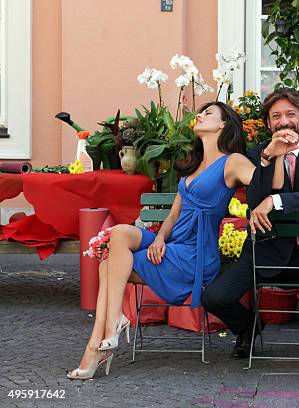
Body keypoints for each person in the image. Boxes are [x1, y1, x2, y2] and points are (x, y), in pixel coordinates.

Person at [66, 102, 263, 380]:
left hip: (195, 253)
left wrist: (264, 196)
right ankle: (109, 330)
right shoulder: (193, 165)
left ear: (223, 125)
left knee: (108, 264)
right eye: (201, 112)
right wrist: (158, 238)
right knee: (119, 234)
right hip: (171, 243)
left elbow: (261, 184)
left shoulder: (233, 161)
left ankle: (96, 349)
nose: (200, 116)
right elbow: (173, 215)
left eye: (208, 113)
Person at [202, 88, 299, 367]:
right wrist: (269, 158)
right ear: (268, 123)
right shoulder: (255, 154)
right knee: (214, 297)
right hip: (267, 249)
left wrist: (275, 200)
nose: (284, 121)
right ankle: (250, 328)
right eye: (276, 116)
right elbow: (254, 199)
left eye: (290, 114)